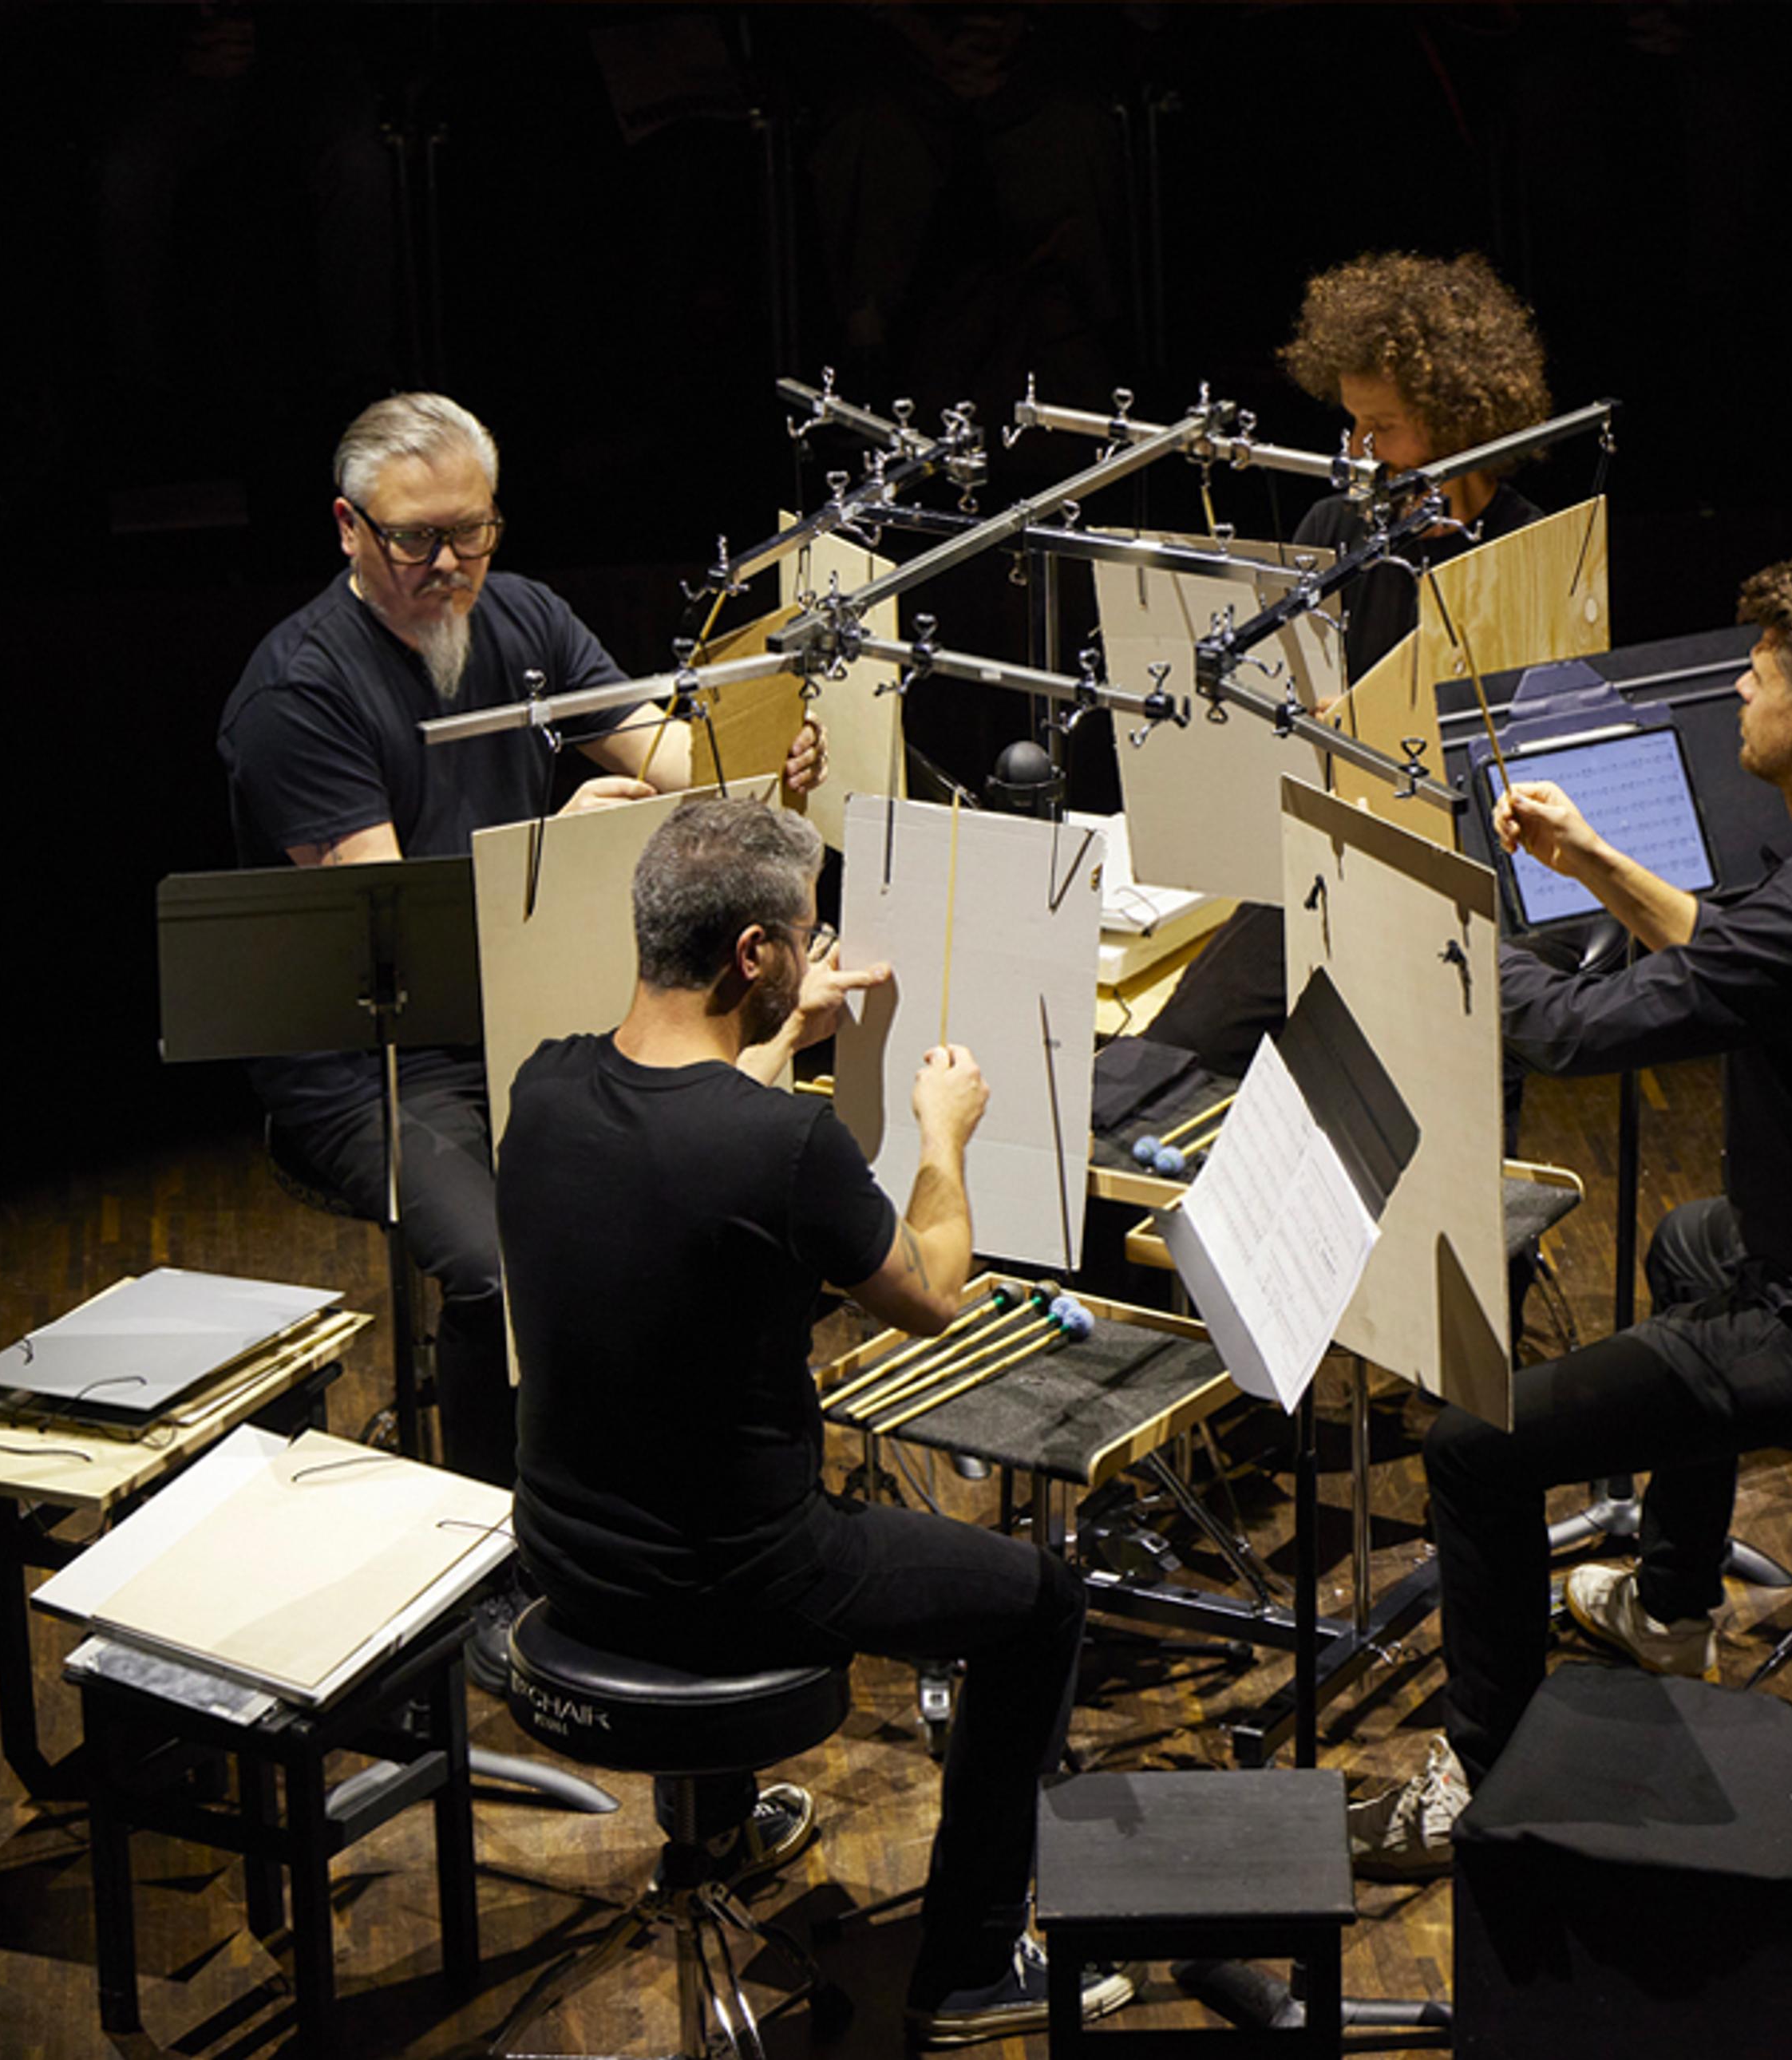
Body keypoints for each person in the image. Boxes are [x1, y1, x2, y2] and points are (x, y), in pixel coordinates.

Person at [1398, 558, 1792, 1857]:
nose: (1736, 692)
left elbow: (1578, 1031)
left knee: (1475, 1441)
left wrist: (1432, 935)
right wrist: (1587, 858)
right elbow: (1730, 942)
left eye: (1754, 677)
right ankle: (1673, 1607)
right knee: (1688, 1242)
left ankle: (1492, 1778)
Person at [494, 797, 1129, 2047]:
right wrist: (942, 1137)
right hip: (743, 1579)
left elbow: (691, 1143)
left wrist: (778, 1034)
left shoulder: (546, 1083)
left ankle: (722, 1828)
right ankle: (968, 1962)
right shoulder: (782, 1146)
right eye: (804, 931)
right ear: (756, 954)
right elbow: (933, 1291)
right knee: (1042, 1600)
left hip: (565, 1565)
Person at [218, 393, 825, 1541]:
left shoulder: (527, 618)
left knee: (688, 1178)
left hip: (520, 1005)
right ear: (348, 528)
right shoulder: (300, 695)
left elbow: (668, 753)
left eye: (473, 532)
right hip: (374, 1056)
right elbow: (401, 931)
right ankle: (487, 1548)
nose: (449, 566)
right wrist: (573, 849)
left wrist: (757, 759)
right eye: (415, 540)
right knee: (505, 1269)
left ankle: (629, 1471)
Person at [1148, 251, 1554, 1076]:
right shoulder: (1336, 522)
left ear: (1460, 418)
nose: (1360, 451)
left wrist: (1381, 724)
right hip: (1326, 863)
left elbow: (1538, 749)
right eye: (1352, 425)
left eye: (1384, 428)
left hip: (1465, 884)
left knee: (1442, 1094)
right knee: (1178, 1051)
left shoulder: (1531, 551)